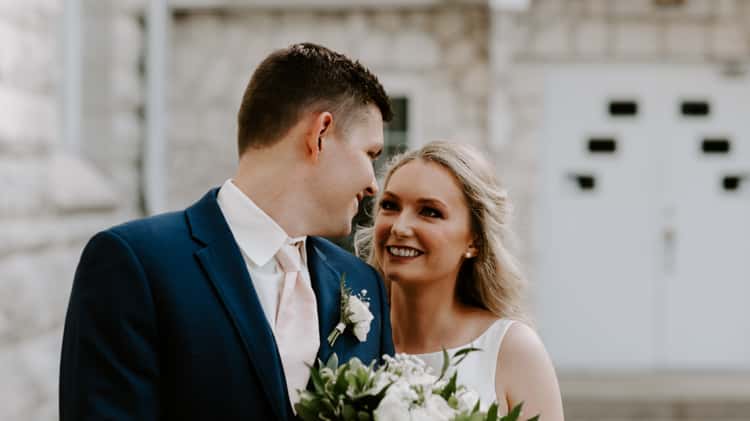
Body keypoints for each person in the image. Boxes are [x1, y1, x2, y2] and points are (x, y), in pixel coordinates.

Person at [60, 43, 395, 421]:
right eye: (370, 154)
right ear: (320, 133)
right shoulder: (135, 264)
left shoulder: (361, 283)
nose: (372, 185)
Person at [356, 141, 564, 420]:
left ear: (474, 239)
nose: (400, 227)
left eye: (430, 212)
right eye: (390, 206)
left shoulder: (513, 350)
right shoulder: (346, 336)